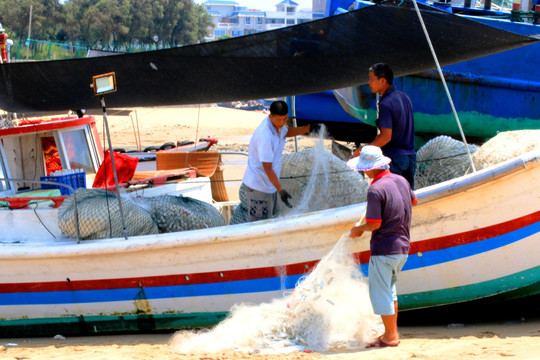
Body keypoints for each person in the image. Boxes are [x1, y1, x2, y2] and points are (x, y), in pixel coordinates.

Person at [347, 145, 417, 348]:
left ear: (370, 168)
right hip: (403, 247)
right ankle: (391, 332)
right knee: (390, 291)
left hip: (384, 249)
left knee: (383, 293)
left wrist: (358, 229)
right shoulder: (401, 180)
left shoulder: (375, 190)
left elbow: (375, 223)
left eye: (364, 168)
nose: (364, 171)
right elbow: (414, 200)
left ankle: (390, 336)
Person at [242, 100, 310, 222]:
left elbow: (286, 131)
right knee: (260, 225)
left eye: (284, 119)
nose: (282, 122)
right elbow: (267, 168)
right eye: (279, 120)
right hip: (258, 186)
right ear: (270, 116)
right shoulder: (265, 135)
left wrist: (306, 129)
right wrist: (281, 190)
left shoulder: (279, 127)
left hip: (271, 185)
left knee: (274, 221)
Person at [353, 63, 416, 189]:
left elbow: (386, 137)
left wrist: (363, 150)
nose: (369, 82)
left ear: (382, 80)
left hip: (395, 159)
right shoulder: (405, 98)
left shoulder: (385, 104)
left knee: (392, 200)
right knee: (407, 200)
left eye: (371, 79)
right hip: (411, 158)